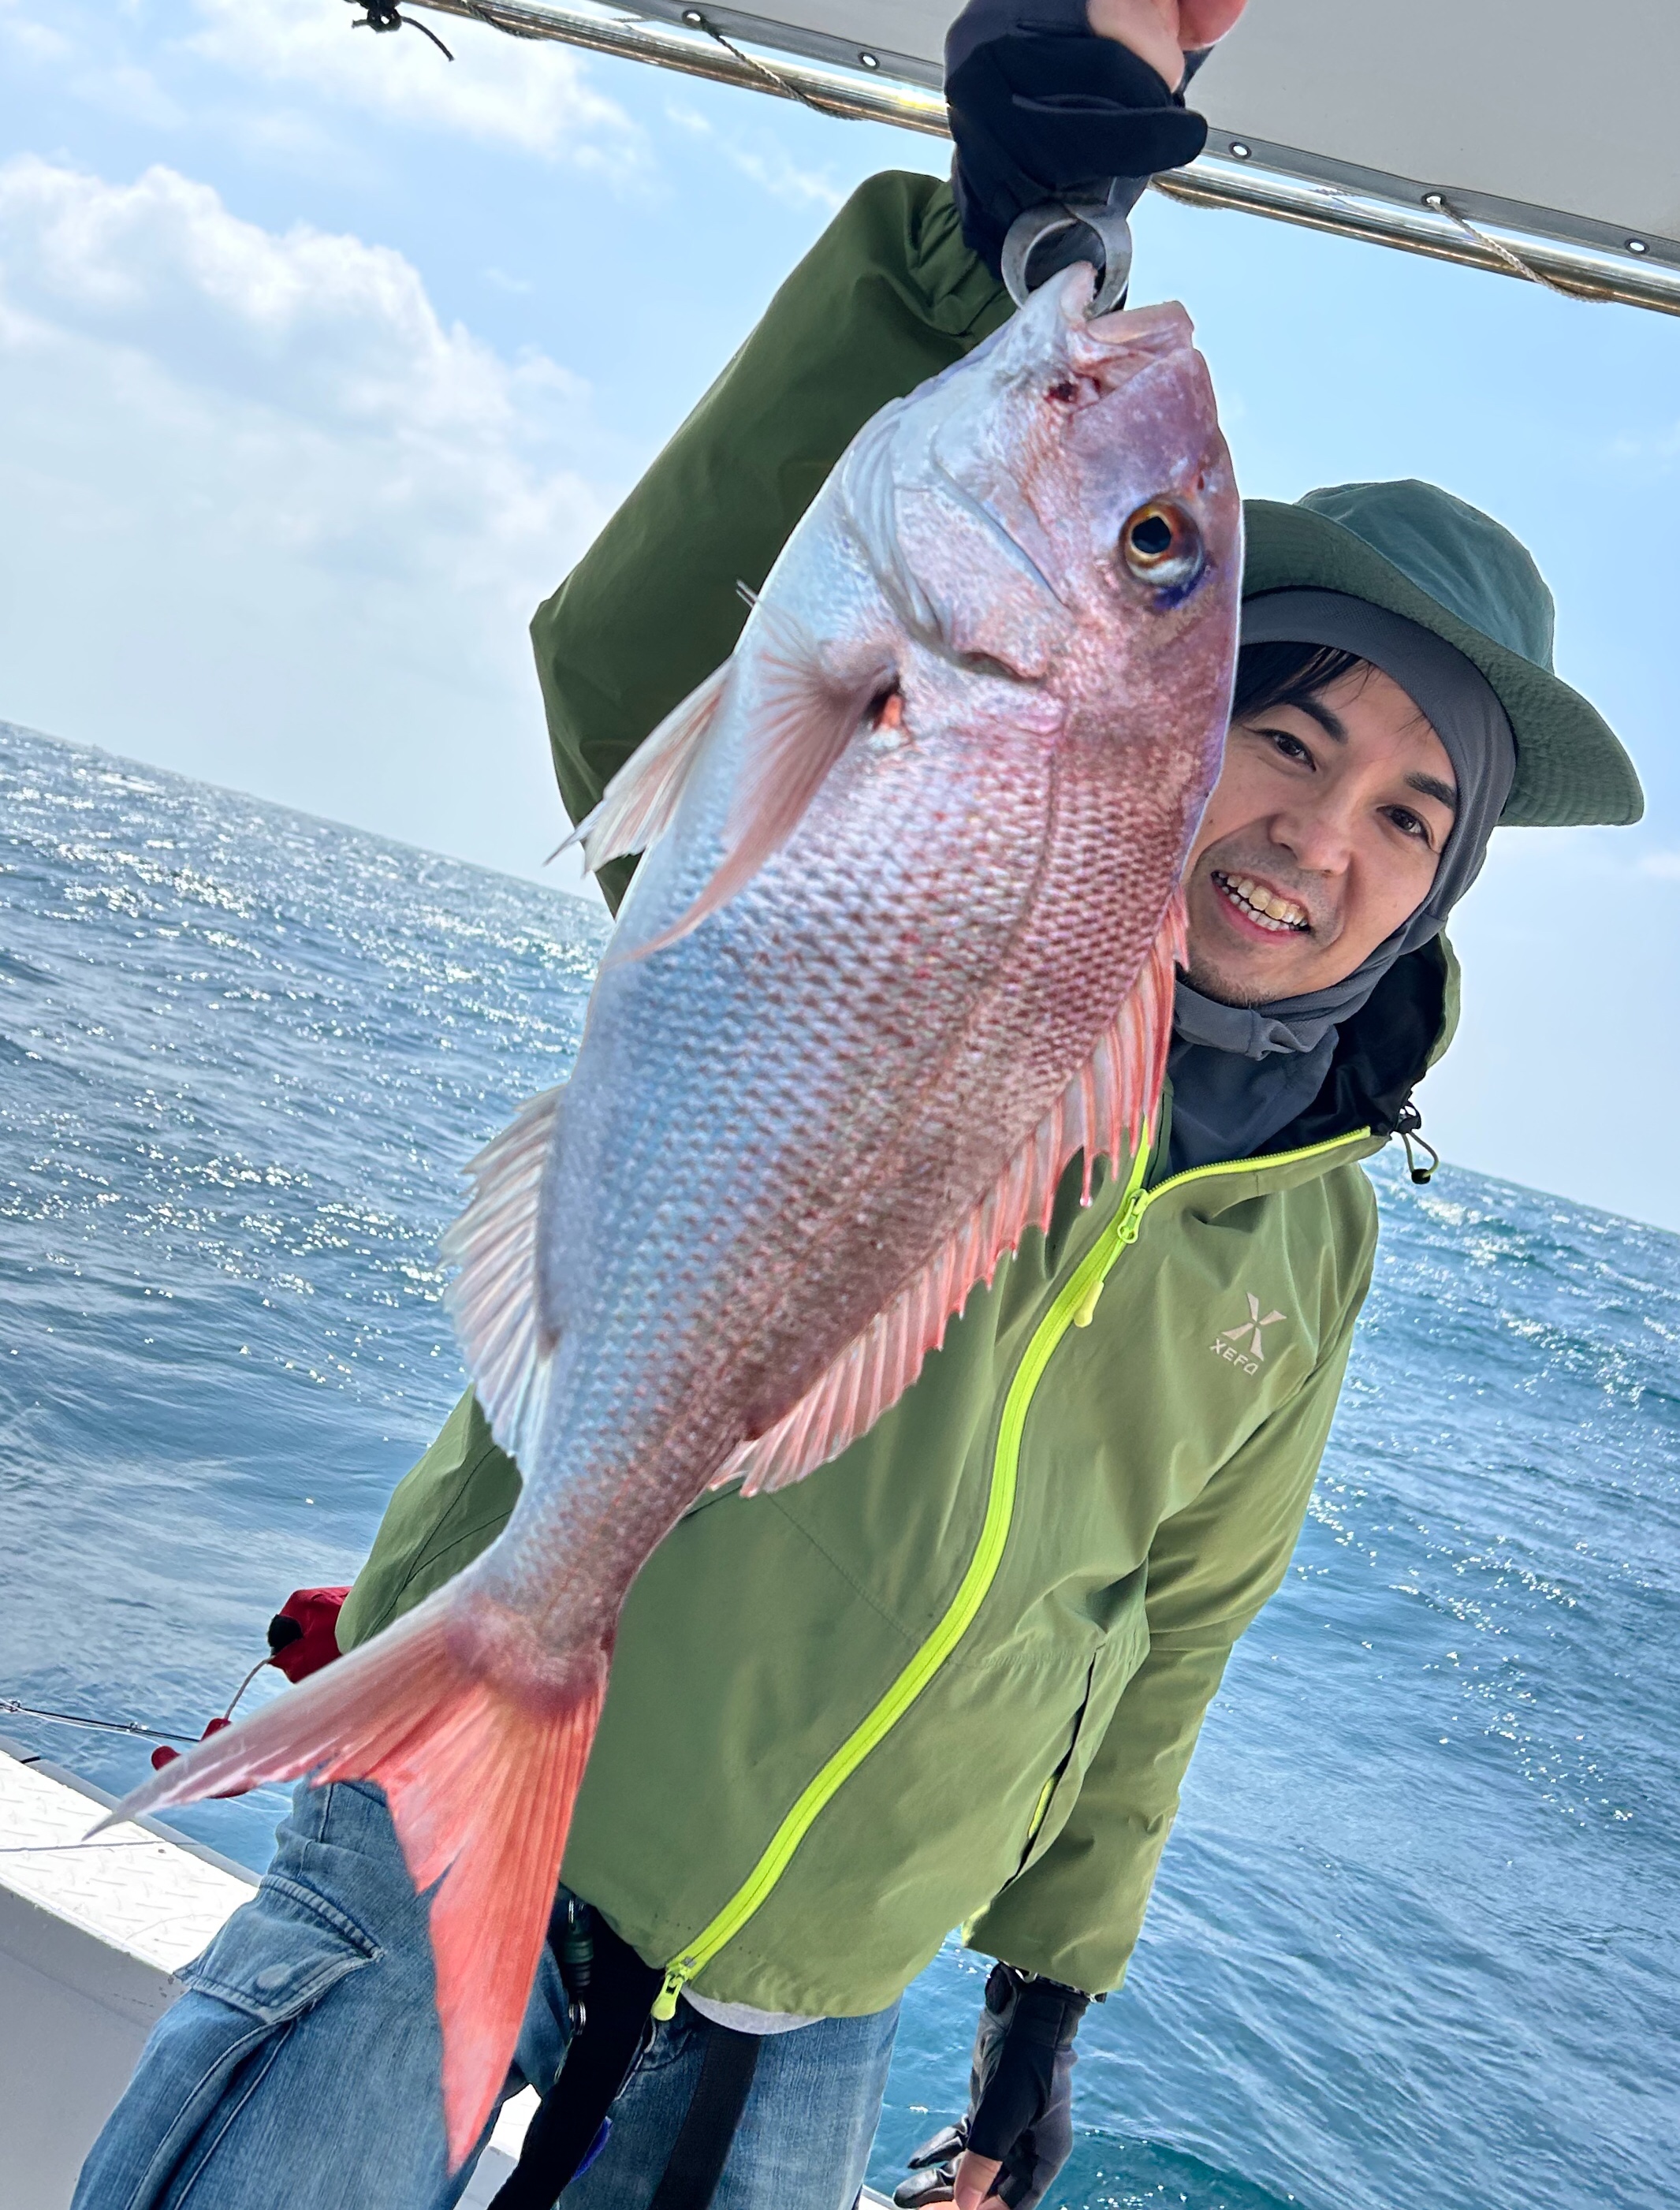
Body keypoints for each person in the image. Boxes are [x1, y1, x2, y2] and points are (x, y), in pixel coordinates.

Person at [74, 4, 1643, 2209]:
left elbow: (1174, 1628)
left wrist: (1046, 1995)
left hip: (824, 1987)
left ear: (1443, 883)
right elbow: (642, 655)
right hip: (501, 1810)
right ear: (1175, 725)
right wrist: (982, 250)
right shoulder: (924, 843)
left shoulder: (1311, 1228)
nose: (1321, 838)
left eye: (1410, 814)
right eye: (1286, 738)